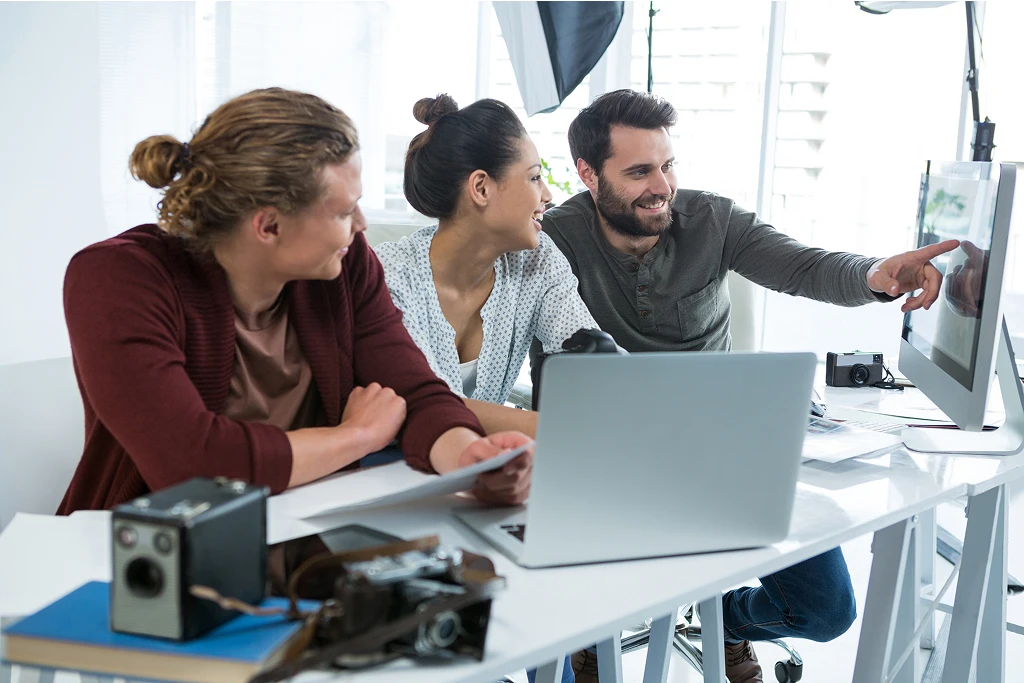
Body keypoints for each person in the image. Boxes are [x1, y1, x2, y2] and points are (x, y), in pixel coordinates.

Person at [540, 89, 959, 683]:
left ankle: (728, 621)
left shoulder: (712, 219)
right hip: (605, 458)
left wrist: (874, 276)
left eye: (667, 164)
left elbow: (805, 266)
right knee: (558, 629)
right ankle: (591, 633)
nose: (662, 185)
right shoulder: (553, 238)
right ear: (588, 174)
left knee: (825, 610)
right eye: (639, 172)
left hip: (720, 445)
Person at [57, 87, 533, 515]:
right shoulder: (116, 279)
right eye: (345, 211)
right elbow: (192, 465)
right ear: (268, 226)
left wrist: (470, 459)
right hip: (147, 560)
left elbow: (416, 392)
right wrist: (356, 436)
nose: (362, 225)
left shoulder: (345, 264)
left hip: (303, 537)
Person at [375, 94, 600, 438]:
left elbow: (593, 358)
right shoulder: (389, 277)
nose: (548, 195)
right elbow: (425, 404)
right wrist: (560, 428)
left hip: (486, 469)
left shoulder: (537, 261)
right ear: (481, 188)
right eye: (534, 177)